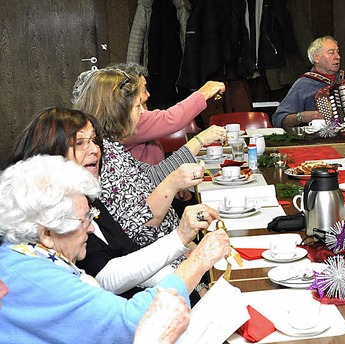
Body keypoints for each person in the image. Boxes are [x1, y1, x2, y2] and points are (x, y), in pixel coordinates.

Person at [0, 155, 231, 343]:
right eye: (83, 220)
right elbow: (136, 322)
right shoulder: (36, 279)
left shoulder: (21, 255)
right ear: (47, 233)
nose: (90, 228)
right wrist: (200, 260)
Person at [10, 107, 215, 298]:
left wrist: (191, 284)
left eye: (94, 140)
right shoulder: (55, 213)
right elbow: (106, 279)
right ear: (51, 154)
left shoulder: (88, 197)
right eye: (80, 143)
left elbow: (130, 253)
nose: (95, 150)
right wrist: (180, 241)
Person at [73, 69, 225, 247]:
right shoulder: (102, 155)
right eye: (138, 106)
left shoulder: (112, 147)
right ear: (118, 111)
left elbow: (148, 178)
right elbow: (139, 229)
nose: (143, 113)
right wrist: (174, 182)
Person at [72, 63, 226, 165]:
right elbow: (170, 118)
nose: (148, 95)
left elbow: (154, 175)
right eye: (143, 90)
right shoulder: (126, 123)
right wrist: (199, 140)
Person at [272, 36, 345, 129]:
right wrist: (301, 117)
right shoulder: (303, 84)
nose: (338, 56)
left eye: (337, 52)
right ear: (316, 58)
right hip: (320, 143)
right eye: (331, 52)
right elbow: (279, 118)